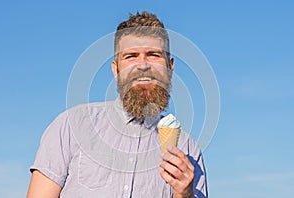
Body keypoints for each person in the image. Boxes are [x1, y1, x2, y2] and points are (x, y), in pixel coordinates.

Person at [27, 11, 208, 198]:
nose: (143, 65)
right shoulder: (71, 126)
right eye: (131, 56)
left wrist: (184, 195)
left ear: (170, 67)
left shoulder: (188, 149)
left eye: (153, 55)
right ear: (116, 69)